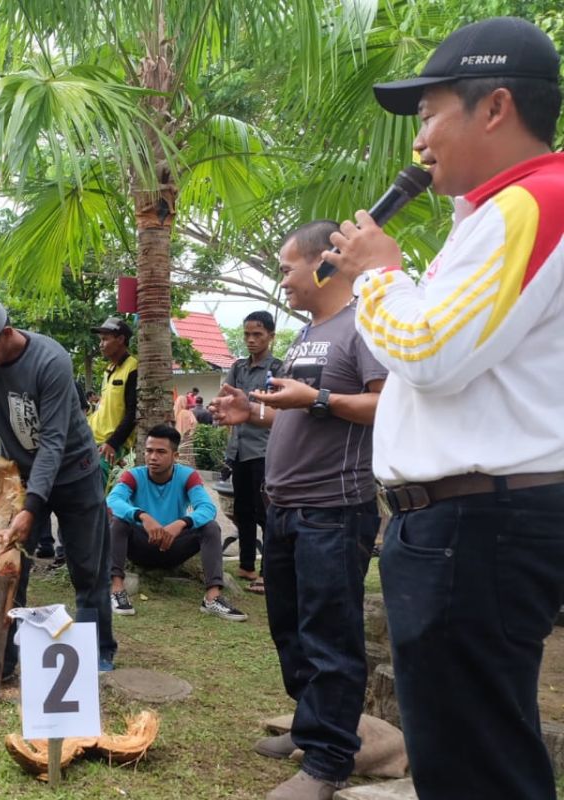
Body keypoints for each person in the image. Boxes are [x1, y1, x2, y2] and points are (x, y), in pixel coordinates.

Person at [322, 17, 564, 799]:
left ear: (494, 108)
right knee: (469, 751)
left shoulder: (534, 203)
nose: (420, 139)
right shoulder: (496, 214)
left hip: (477, 527)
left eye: (429, 114)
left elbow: (427, 353)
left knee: (475, 765)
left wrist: (378, 274)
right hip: (469, 525)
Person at [210, 220, 387, 800]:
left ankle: (330, 763)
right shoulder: (311, 333)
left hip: (333, 510)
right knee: (290, 628)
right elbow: (303, 410)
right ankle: (310, 727)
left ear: (325, 264)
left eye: (287, 267)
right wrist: (255, 413)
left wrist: (317, 399)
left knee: (330, 634)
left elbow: (387, 407)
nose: (282, 279)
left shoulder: (364, 325)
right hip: (284, 506)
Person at [0, 294, 116, 688]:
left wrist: (33, 507)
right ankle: (4, 661)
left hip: (76, 472)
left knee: (87, 568)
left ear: (6, 333)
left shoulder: (51, 360)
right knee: (12, 568)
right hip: (21, 476)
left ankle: (96, 652)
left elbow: (54, 441)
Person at [106, 424, 246, 621]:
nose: (153, 457)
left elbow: (207, 508)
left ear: (175, 455)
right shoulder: (134, 475)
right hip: (140, 546)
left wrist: (181, 523)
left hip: (174, 547)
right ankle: (117, 590)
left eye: (161, 452)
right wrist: (142, 516)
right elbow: (113, 500)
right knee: (118, 522)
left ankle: (212, 598)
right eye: (149, 451)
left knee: (210, 527)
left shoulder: (187, 476)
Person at [225, 311, 282, 590]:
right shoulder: (238, 368)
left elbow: (281, 409)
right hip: (238, 450)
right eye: (247, 334)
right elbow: (227, 400)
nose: (251, 339)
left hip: (265, 450)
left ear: (271, 336)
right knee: (243, 510)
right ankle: (246, 565)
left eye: (257, 334)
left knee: (265, 513)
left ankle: (267, 572)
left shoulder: (278, 368)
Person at [88, 316, 138, 481]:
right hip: (94, 439)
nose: (101, 344)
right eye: (100, 340)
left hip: (108, 444)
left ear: (121, 339)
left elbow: (133, 413)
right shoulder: (109, 369)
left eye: (105, 339)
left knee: (96, 491)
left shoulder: (132, 368)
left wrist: (114, 443)